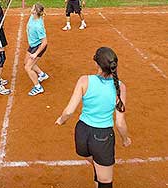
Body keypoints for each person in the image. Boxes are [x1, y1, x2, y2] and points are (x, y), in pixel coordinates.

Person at [55, 47, 131, 188]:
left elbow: (69, 111)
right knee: (105, 182)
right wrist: (125, 139)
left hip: (82, 133)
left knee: (95, 165)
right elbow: (120, 123)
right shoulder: (121, 88)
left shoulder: (84, 80)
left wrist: (61, 120)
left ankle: (98, 171)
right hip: (102, 138)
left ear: (97, 64)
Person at [25, 3, 49, 96]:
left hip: (38, 46)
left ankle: (38, 87)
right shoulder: (32, 16)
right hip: (33, 45)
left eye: (33, 8)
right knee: (26, 62)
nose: (31, 9)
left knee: (28, 67)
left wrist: (35, 54)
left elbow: (44, 42)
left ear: (35, 12)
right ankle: (42, 75)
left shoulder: (38, 26)